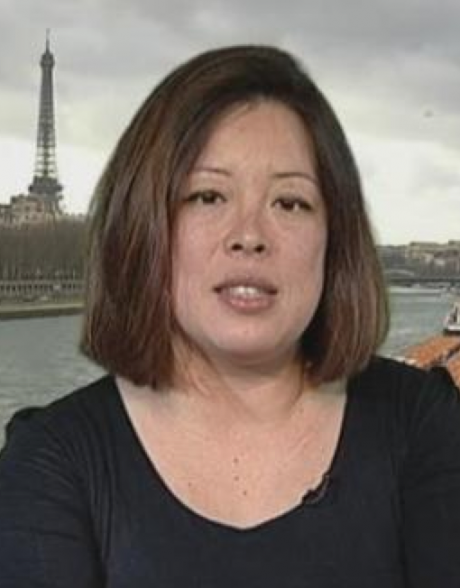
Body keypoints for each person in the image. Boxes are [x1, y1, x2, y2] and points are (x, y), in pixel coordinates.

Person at [1, 45, 459, 588]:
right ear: (144, 229)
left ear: (334, 241)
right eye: (208, 196)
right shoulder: (52, 463)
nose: (249, 235)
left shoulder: (424, 427)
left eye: (289, 202)